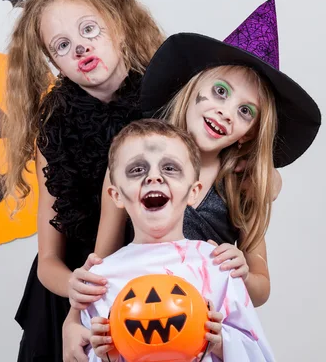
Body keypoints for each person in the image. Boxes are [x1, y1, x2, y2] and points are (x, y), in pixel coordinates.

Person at [64, 0, 321, 360]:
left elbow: (260, 290)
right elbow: (101, 265)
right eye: (220, 91)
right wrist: (72, 321)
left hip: (206, 332)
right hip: (137, 323)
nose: (225, 112)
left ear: (249, 132)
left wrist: (241, 271)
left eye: (245, 112)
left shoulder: (243, 186)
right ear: (194, 87)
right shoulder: (133, 166)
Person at [0, 0, 165, 361]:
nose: (80, 48)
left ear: (120, 28)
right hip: (73, 294)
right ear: (56, 64)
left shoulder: (169, 105)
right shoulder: (53, 128)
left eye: (89, 29)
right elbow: (49, 261)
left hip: (152, 289)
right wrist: (75, 285)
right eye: (61, 45)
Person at [83, 118, 276, 361]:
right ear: (116, 195)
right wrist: (104, 354)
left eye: (170, 168)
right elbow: (89, 352)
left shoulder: (218, 265)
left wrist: (220, 343)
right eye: (137, 170)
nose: (154, 177)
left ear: (192, 192)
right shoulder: (102, 278)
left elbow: (258, 353)